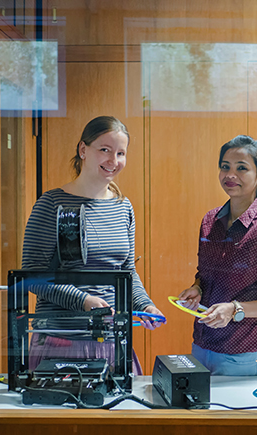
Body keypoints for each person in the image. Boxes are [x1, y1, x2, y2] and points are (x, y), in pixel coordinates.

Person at [22, 116, 164, 374]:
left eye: (121, 153)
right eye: (105, 150)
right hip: (61, 340)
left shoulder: (123, 207)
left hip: (110, 339)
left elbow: (127, 272)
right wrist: (83, 300)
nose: (113, 161)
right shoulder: (51, 204)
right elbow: (33, 276)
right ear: (83, 150)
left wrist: (144, 305)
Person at [177, 135, 257, 375]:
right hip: (203, 345)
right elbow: (205, 274)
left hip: (247, 354)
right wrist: (197, 289)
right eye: (225, 167)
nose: (230, 175)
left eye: (242, 168)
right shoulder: (210, 221)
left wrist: (234, 309)